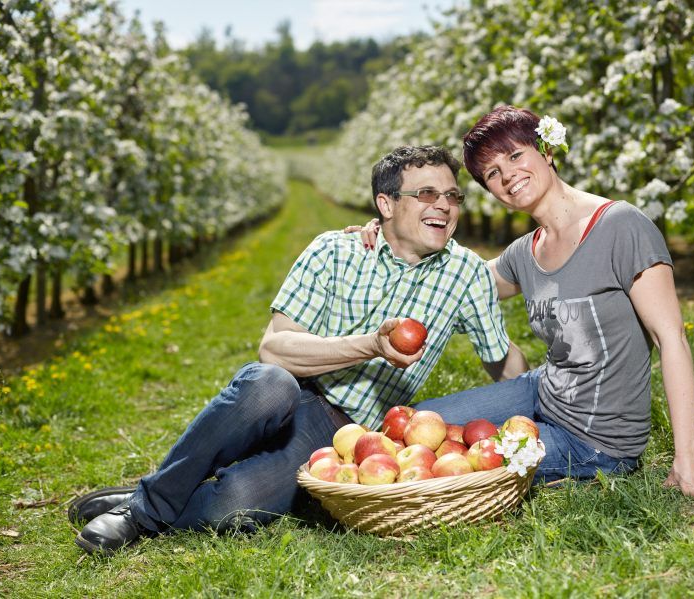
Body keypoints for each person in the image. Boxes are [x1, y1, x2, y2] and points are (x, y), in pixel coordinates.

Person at [70, 145, 529, 555]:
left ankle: (154, 492)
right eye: (426, 194)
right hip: (284, 391)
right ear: (385, 205)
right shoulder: (335, 250)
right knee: (268, 384)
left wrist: (532, 413)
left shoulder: (466, 273)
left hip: (338, 429)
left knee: (234, 506)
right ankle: (142, 512)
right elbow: (275, 348)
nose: (444, 206)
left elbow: (503, 362)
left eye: (452, 196)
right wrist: (371, 345)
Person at [354, 107, 694, 497]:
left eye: (515, 156)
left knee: (443, 470)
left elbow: (672, 340)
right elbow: (455, 281)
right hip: (539, 391)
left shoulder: (621, 226)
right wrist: (388, 232)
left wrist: (689, 462)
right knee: (412, 428)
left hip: (595, 441)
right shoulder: (525, 252)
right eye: (492, 173)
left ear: (546, 151)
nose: (508, 176)